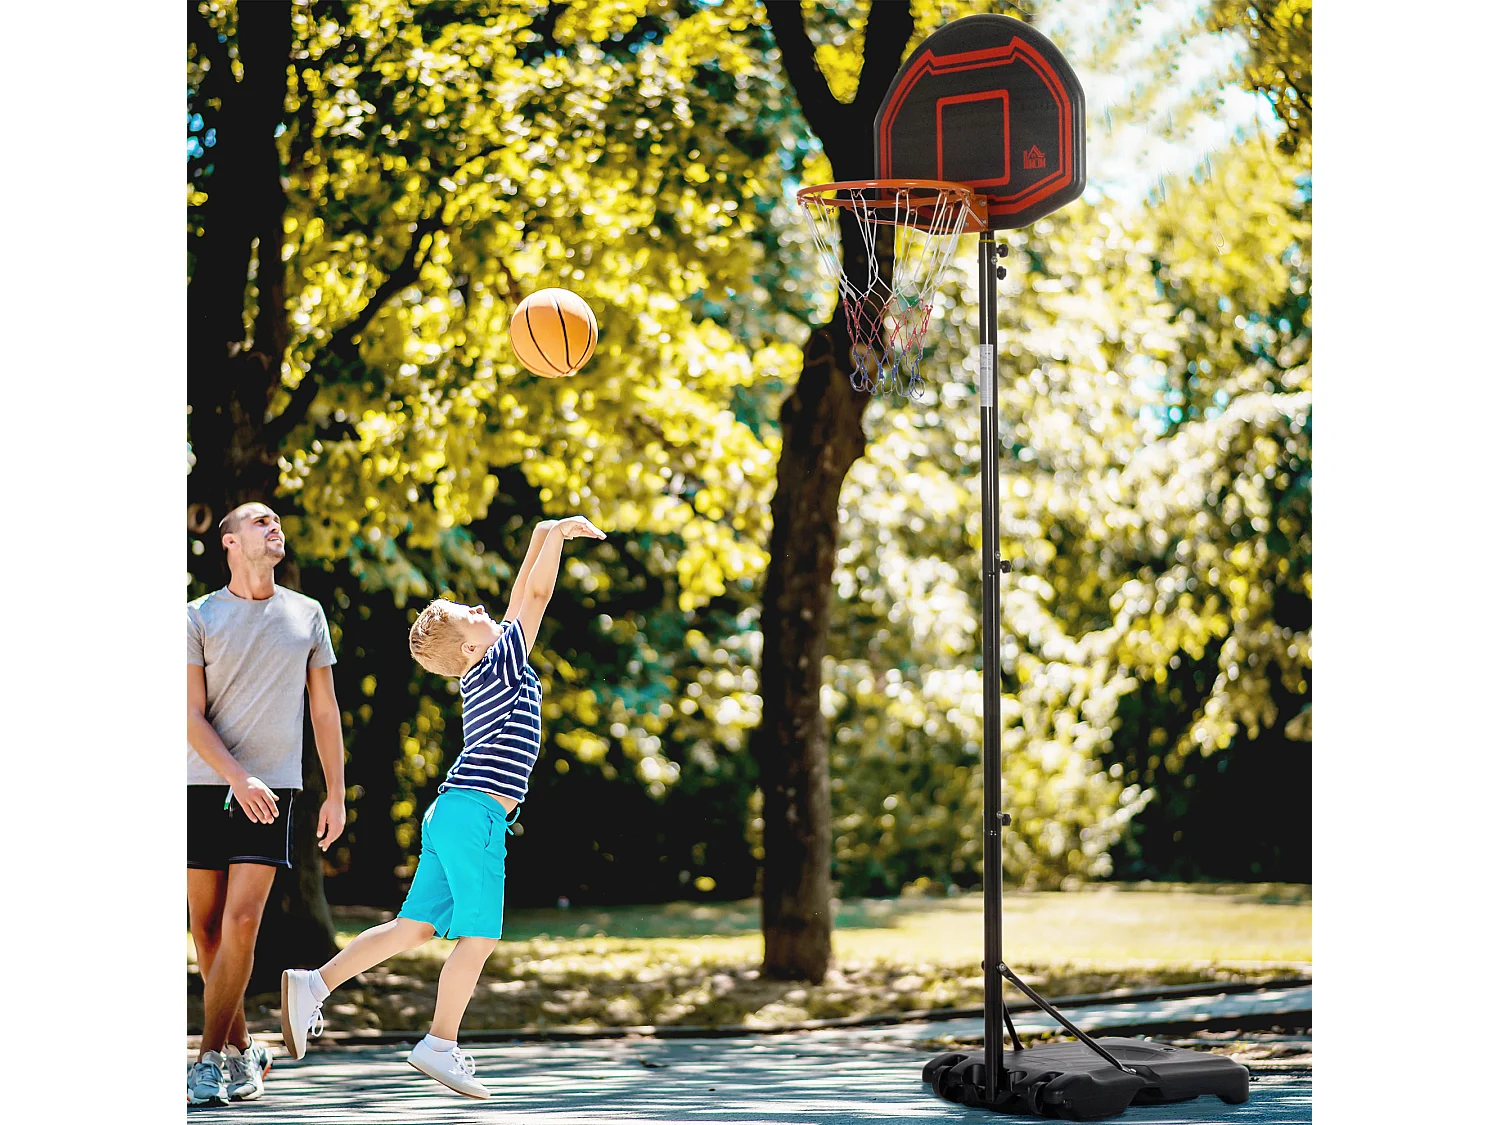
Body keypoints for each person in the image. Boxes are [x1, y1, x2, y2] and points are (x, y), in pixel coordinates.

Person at [280, 514, 605, 1099]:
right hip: (476, 815)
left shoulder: (487, 665)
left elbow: (517, 599)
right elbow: (533, 596)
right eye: (469, 615)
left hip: (451, 812)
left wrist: (541, 532)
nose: (482, 609)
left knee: (413, 927)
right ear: (470, 647)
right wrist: (556, 540)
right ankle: (439, 1043)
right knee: (479, 935)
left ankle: (314, 985)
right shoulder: (501, 660)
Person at [187, 502, 348, 1106]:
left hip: (273, 791)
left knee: (242, 921)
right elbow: (188, 715)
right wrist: (236, 778)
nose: (274, 526)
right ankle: (242, 1048)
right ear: (229, 541)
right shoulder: (197, 616)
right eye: (259, 521)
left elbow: (324, 711)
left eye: (277, 521)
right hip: (203, 785)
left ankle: (207, 1059)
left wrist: (335, 792)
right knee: (206, 929)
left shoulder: (307, 614)